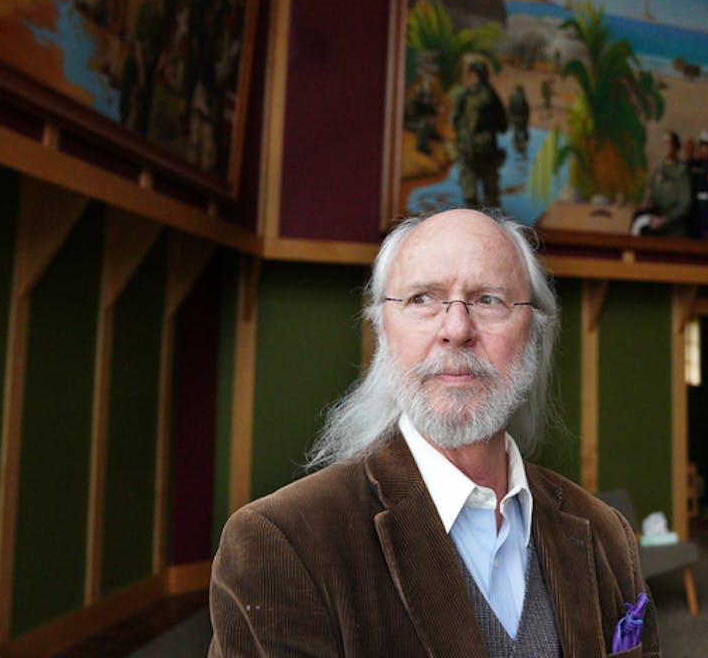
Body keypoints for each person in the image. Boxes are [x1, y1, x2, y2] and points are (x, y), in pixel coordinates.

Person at [208, 209, 658, 657]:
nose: (456, 330)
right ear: (383, 329)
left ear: (533, 334)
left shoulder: (607, 534)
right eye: (422, 298)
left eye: (488, 299)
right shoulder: (280, 544)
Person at [451, 60, 509, 208]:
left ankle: (471, 222)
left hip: (467, 149)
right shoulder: (492, 95)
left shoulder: (463, 94)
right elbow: (503, 125)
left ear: (472, 74)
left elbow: (454, 121)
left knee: (469, 195)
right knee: (491, 195)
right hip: (487, 149)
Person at [638, 130, 692, 236]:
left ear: (676, 146)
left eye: (669, 143)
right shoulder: (659, 170)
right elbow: (651, 193)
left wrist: (665, 219)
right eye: (664, 143)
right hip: (656, 227)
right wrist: (647, 204)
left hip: (675, 230)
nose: (665, 146)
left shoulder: (681, 171)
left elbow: (685, 204)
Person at [507, 83, 531, 157]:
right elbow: (527, 110)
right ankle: (523, 146)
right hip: (522, 118)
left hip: (514, 118)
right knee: (523, 131)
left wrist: (509, 119)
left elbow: (509, 108)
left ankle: (516, 145)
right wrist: (527, 121)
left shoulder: (511, 97)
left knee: (516, 131)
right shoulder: (523, 97)